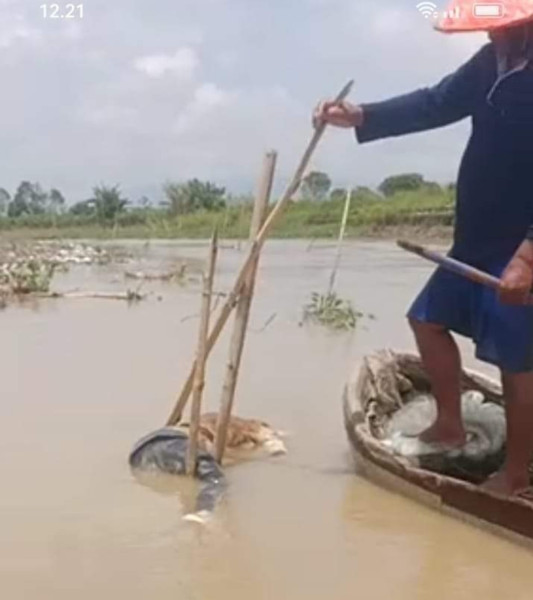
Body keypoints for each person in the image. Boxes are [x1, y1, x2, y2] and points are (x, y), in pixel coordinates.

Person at [314, 1, 533, 497]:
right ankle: (451, 425)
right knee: (427, 319)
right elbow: (435, 102)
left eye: (502, 29)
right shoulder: (489, 63)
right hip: (476, 239)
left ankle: (517, 476)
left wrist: (528, 256)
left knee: (517, 359)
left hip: (521, 245)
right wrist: (362, 115)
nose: (493, 37)